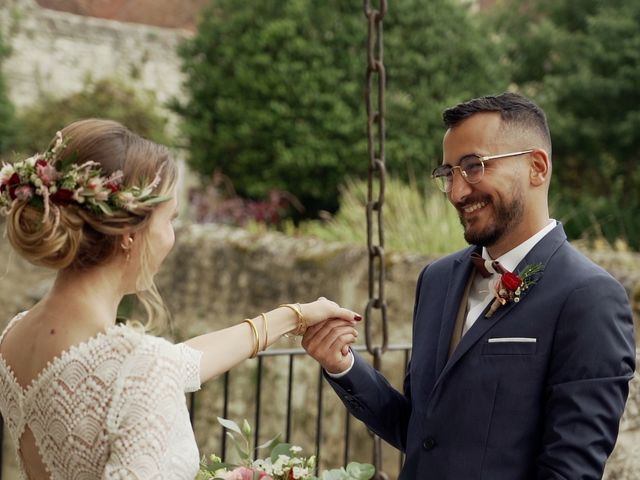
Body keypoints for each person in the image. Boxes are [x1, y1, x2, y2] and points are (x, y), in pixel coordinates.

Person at [0, 119, 361, 480]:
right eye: (170, 219)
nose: (172, 237)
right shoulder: (138, 367)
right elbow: (150, 373)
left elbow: (178, 364)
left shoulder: (14, 337)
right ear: (129, 232)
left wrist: (295, 315)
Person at [303, 92, 636, 479]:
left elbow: (569, 472)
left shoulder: (590, 298)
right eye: (448, 173)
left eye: (474, 166)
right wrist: (343, 365)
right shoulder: (437, 279)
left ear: (537, 167)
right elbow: (421, 432)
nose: (457, 192)